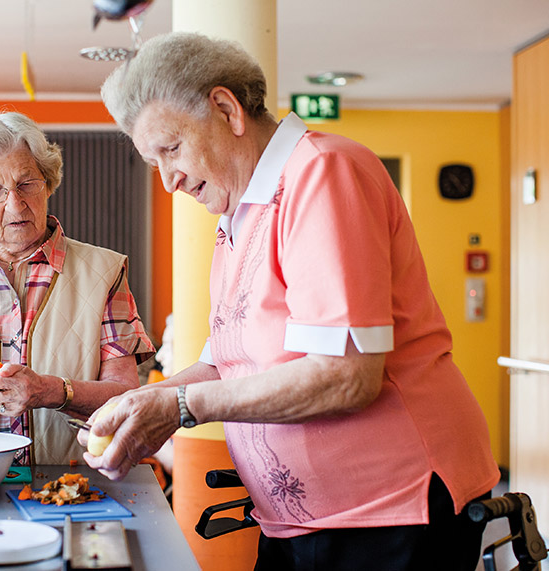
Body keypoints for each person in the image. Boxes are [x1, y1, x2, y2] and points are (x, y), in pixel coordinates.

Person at [81, 31, 500, 570]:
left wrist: (180, 407)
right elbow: (226, 362)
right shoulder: (240, 213)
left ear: (227, 109)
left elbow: (345, 375)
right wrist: (137, 404)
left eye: (172, 149)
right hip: (303, 520)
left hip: (389, 510)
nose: (168, 181)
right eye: (153, 162)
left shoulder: (322, 171)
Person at [0, 111, 154, 465]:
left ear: (48, 183)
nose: (15, 204)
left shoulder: (104, 272)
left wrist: (50, 391)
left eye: (26, 184)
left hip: (73, 484)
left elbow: (125, 398)